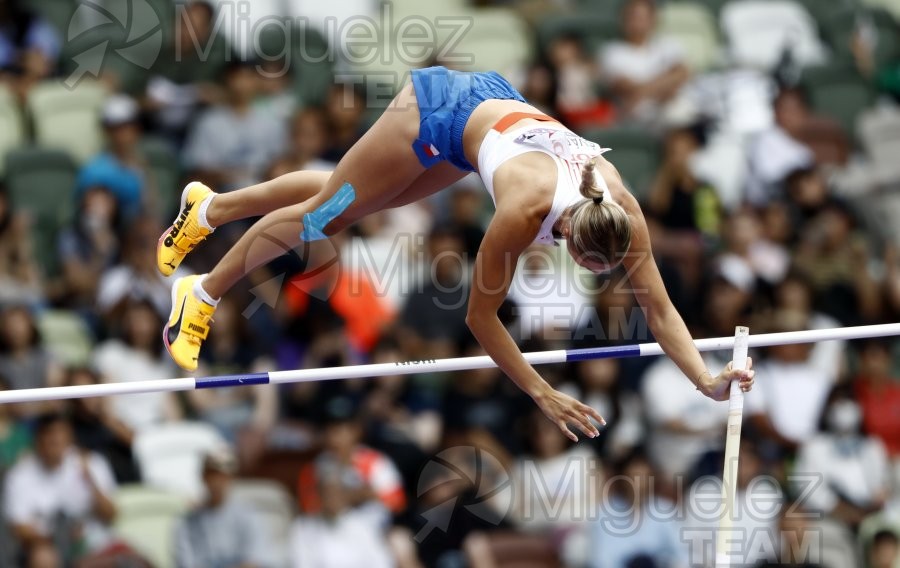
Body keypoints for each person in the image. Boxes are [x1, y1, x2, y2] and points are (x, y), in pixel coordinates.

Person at [156, 65, 753, 440]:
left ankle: (208, 209)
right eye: (584, 262)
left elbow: (660, 308)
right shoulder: (522, 212)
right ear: (569, 234)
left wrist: (705, 379)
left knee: (340, 197)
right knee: (323, 217)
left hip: (488, 116)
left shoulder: (621, 207)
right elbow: (479, 317)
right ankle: (200, 292)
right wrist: (541, 392)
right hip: (440, 108)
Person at [3, 413, 118, 567]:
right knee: (43, 557)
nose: (54, 444)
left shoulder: (90, 463)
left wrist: (90, 482)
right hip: (48, 548)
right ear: (38, 440)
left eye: (59, 438)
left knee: (130, 559)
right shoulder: (19, 474)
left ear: (70, 438)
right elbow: (18, 527)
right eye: (49, 439)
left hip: (94, 546)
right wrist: (60, 538)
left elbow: (111, 515)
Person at [173, 445, 273, 568]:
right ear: (203, 477)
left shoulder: (248, 516)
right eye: (212, 474)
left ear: (232, 478)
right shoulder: (187, 523)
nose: (217, 481)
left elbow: (253, 562)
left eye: (223, 475)